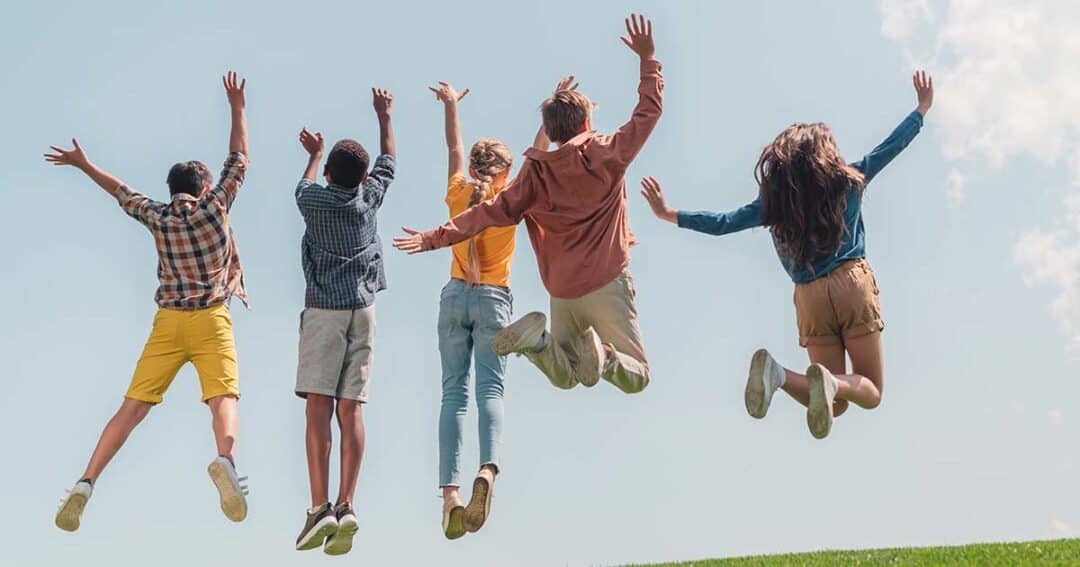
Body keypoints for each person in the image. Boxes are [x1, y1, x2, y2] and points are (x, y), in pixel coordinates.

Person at [639, 71, 935, 439]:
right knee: (870, 392)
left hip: (809, 295)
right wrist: (921, 109)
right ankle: (819, 381)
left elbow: (724, 223)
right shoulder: (849, 179)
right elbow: (891, 146)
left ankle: (778, 374)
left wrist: (670, 214)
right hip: (851, 282)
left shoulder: (774, 204)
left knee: (834, 402)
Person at [394, 14, 662, 397]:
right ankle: (606, 354)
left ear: (551, 133)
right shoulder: (606, 152)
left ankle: (537, 342)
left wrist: (435, 237)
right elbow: (648, 112)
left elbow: (484, 213)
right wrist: (647, 59)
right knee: (638, 377)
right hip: (607, 281)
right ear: (586, 120)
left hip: (563, 291)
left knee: (568, 375)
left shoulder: (534, 175)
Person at [46, 72, 253, 531]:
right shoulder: (214, 208)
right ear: (202, 187)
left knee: (132, 407)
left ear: (171, 189)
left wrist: (83, 164)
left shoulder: (157, 216)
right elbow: (239, 159)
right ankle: (226, 461)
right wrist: (238, 105)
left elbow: (121, 192)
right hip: (211, 320)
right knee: (222, 396)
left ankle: (85, 481)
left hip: (168, 324)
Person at [292, 89, 396, 555]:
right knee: (351, 408)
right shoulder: (368, 200)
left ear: (330, 173)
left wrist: (314, 155)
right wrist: (384, 115)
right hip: (364, 310)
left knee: (318, 407)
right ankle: (347, 504)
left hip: (324, 311)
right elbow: (389, 160)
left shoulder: (312, 201)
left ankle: (319, 508)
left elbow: (303, 184)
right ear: (362, 177)